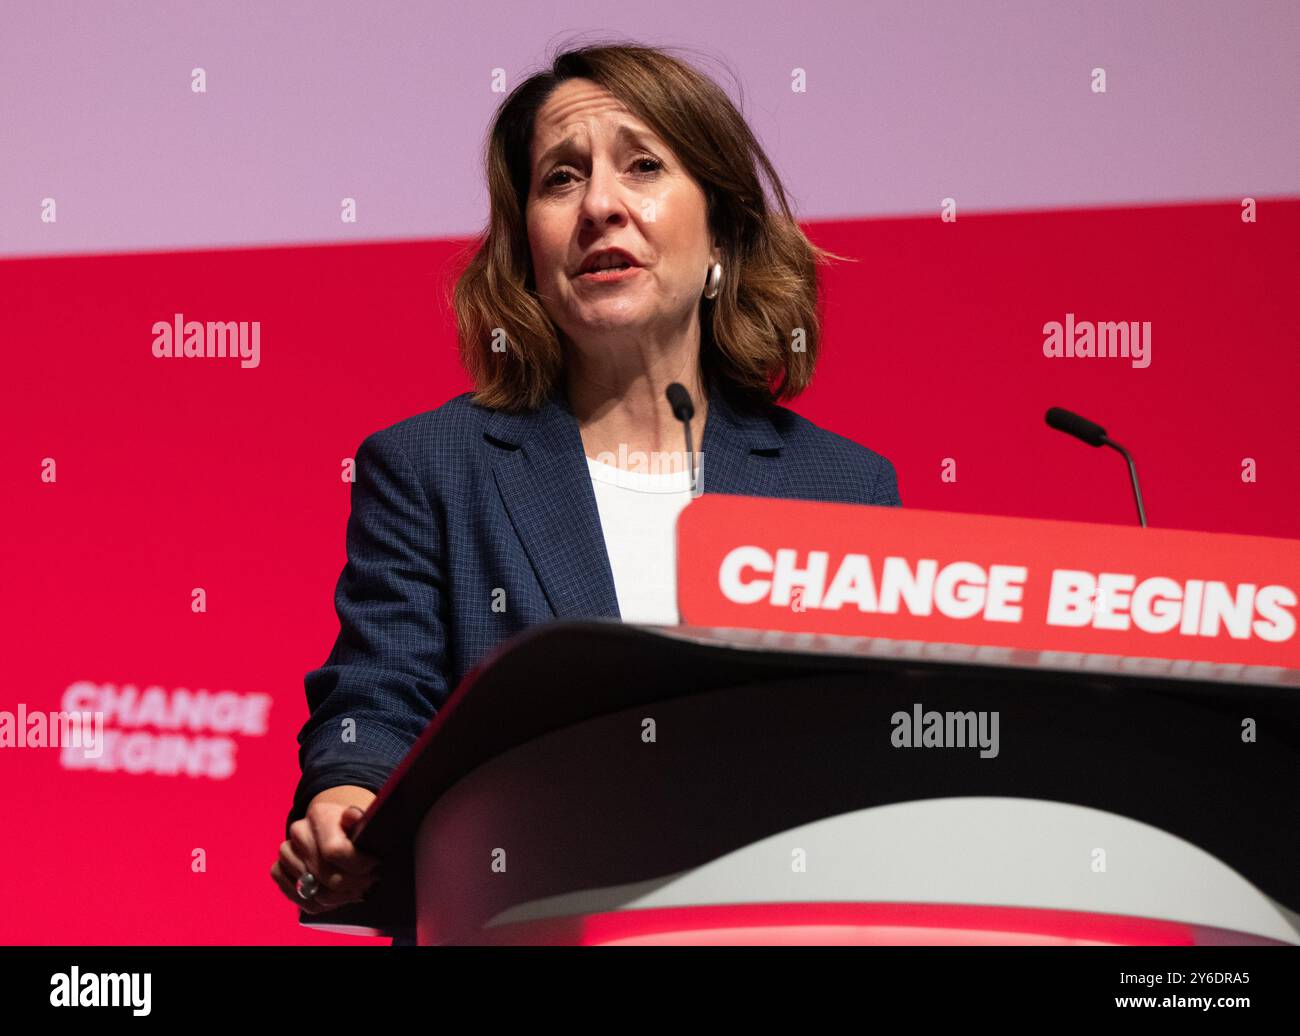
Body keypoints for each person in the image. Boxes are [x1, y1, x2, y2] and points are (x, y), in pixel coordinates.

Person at [270, 40, 901, 944]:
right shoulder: (433, 466)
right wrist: (344, 795)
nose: (601, 205)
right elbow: (377, 692)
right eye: (560, 179)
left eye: (643, 166)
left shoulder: (843, 488)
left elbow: (878, 755)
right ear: (527, 247)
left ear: (722, 229)